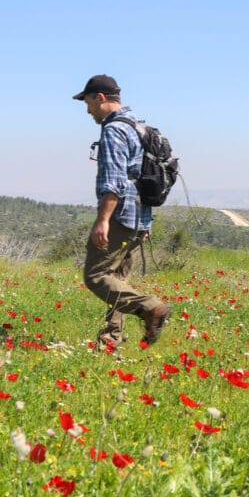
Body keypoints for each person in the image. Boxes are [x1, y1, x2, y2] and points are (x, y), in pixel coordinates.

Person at [73, 74, 172, 349]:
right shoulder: (138, 125)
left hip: (121, 216)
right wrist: (146, 221)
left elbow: (114, 181)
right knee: (118, 279)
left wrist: (103, 220)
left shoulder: (114, 129)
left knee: (96, 276)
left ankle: (152, 308)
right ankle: (110, 340)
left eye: (88, 102)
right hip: (140, 217)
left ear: (101, 98)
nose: (88, 109)